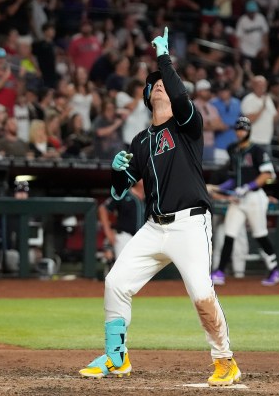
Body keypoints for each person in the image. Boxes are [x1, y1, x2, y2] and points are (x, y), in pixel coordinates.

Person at [79, 27, 241, 386]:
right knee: (115, 283)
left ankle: (225, 360)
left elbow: (181, 95)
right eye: (155, 84)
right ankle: (116, 358)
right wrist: (118, 172)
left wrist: (164, 58)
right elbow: (120, 192)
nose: (162, 85)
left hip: (189, 223)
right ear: (148, 95)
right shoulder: (139, 140)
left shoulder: (187, 125)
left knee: (201, 293)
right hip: (154, 227)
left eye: (165, 82)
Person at [209, 117, 279, 286]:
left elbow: (267, 174)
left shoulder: (257, 151)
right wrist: (219, 187)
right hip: (238, 198)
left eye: (244, 129)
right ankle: (220, 272)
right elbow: (234, 178)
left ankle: (275, 269)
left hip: (255, 197)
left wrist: (247, 187)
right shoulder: (233, 150)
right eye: (239, 129)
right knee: (229, 234)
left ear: (249, 131)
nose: (241, 132)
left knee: (260, 234)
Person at [98, 179, 145, 265]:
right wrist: (108, 232)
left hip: (143, 238)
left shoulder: (151, 196)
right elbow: (103, 209)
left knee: (139, 268)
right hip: (124, 236)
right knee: (123, 266)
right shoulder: (123, 193)